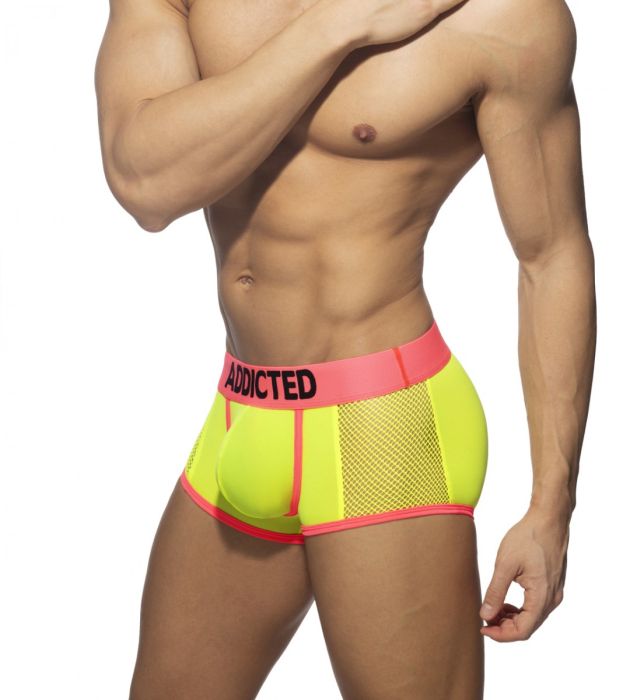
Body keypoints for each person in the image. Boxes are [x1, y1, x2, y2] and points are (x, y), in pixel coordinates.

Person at [95, 0, 595, 697]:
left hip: (385, 427)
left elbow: (551, 255)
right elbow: (146, 183)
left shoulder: (504, 16)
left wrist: (550, 507)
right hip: (243, 412)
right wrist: (340, 23)